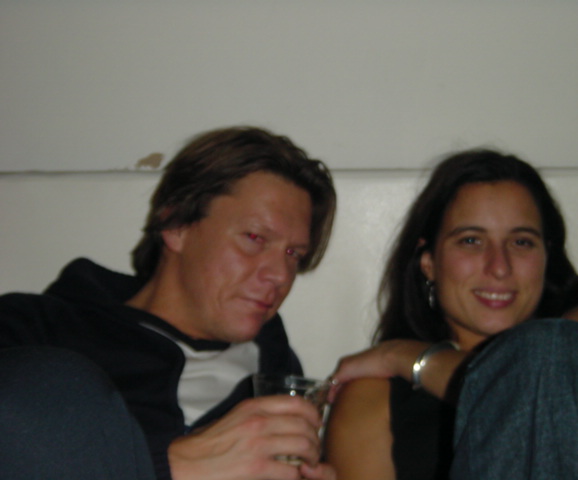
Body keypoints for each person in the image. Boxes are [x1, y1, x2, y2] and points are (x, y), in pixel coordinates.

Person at [0, 126, 337, 480]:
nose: (280, 275)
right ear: (176, 225)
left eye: (293, 254)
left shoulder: (279, 371)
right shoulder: (35, 329)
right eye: (254, 238)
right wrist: (170, 466)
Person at [325, 149, 578, 480]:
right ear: (429, 262)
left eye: (521, 242)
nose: (499, 267)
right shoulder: (373, 398)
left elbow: (550, 382)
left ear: (547, 257)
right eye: (471, 241)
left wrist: (405, 356)